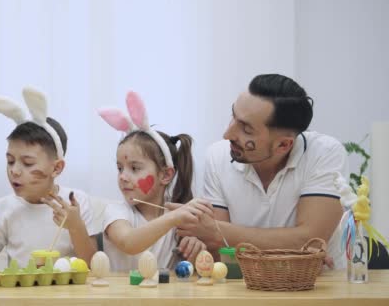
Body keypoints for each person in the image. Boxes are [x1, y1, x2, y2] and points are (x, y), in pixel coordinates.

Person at [169, 74, 346, 268]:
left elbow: (311, 240)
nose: (227, 134)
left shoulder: (324, 153)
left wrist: (218, 232)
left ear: (283, 145)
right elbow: (221, 253)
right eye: (233, 117)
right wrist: (293, 254)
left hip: (319, 288)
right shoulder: (217, 156)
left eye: (246, 129)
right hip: (245, 287)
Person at [0, 88, 97, 270]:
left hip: (67, 296)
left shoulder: (76, 203)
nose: (14, 171)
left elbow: (93, 266)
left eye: (27, 163)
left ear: (56, 168)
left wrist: (75, 227)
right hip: (20, 297)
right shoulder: (4, 209)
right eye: (10, 161)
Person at [99, 91, 213, 272]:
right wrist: (174, 217)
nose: (122, 176)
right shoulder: (117, 212)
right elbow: (129, 242)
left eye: (135, 168)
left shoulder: (177, 219)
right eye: (120, 168)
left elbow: (193, 272)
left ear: (166, 175)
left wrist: (194, 249)